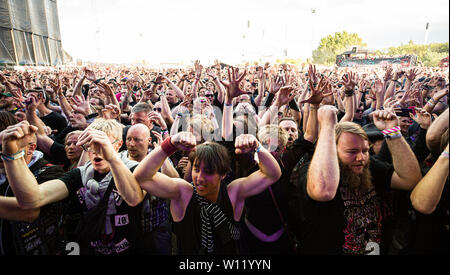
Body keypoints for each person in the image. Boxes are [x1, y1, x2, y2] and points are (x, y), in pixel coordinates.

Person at [2, 118, 150, 255]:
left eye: (101, 145)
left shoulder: (134, 169)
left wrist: (111, 157)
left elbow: (134, 198)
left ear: (118, 145)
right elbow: (32, 200)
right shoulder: (80, 174)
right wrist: (12, 155)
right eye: (89, 146)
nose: (95, 151)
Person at [294, 106, 422, 255]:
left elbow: (410, 180)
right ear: (333, 149)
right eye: (352, 152)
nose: (361, 158)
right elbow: (323, 191)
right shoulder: (311, 170)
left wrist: (392, 132)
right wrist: (327, 126)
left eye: (365, 151)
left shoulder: (368, 166)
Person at [133, 131, 282, 254]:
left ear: (223, 174)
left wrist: (257, 146)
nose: (200, 178)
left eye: (209, 171)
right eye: (196, 169)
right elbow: (142, 178)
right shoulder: (183, 193)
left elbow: (272, 174)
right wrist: (170, 143)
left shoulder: (233, 193)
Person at [0, 117, 66, 255]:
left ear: (31, 148)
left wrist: (12, 157)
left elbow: (29, 211)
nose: (3, 151)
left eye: (8, 145)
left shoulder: (50, 171)